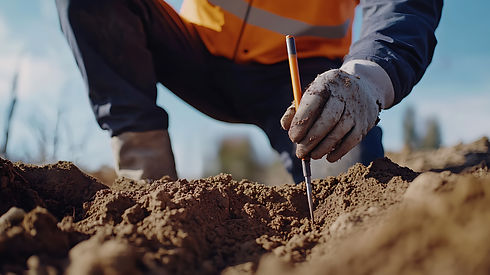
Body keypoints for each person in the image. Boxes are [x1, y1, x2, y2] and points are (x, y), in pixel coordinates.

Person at [55, 0, 442, 183]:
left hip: (300, 81)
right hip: (197, 51)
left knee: (351, 180)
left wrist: (366, 78)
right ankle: (147, 180)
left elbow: (403, 7)